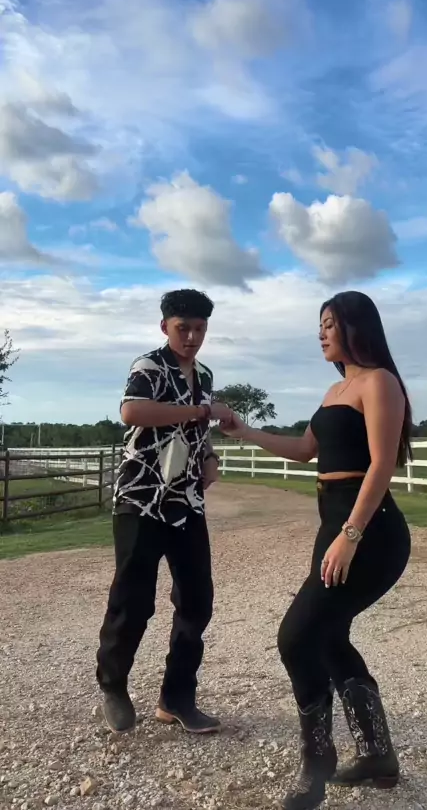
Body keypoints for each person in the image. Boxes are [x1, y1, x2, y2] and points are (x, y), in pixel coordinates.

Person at [219, 290, 412, 810]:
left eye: (329, 323)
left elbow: (381, 464)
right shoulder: (336, 389)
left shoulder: (379, 382)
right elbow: (305, 450)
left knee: (296, 636)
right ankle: (377, 755)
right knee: (327, 636)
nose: (321, 333)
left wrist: (351, 535)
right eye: (320, 325)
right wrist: (244, 431)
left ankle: (318, 761)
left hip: (370, 531)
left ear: (355, 327)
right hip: (336, 526)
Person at [96, 288, 231, 736]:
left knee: (197, 599)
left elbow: (199, 430)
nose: (191, 337)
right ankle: (113, 685)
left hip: (186, 500)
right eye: (182, 328)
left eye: (199, 329)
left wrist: (209, 457)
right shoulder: (149, 366)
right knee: (133, 599)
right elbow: (132, 411)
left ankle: (176, 698)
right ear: (165, 327)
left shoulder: (204, 375)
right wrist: (202, 409)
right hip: (141, 498)